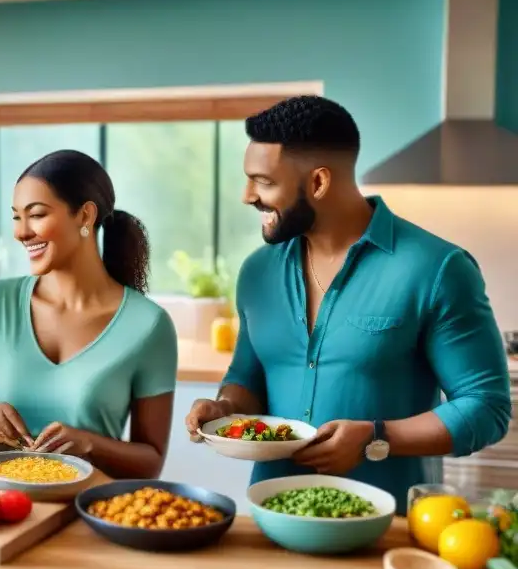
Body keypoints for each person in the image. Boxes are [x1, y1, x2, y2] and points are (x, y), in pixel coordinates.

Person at [185, 95, 512, 512]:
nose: (247, 195)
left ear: (318, 182)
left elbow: (487, 408)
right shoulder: (257, 272)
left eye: (263, 181)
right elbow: (247, 378)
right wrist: (225, 409)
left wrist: (377, 438)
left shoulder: (438, 269)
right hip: (271, 514)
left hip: (385, 528)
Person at [0, 149, 178, 479]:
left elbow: (150, 462)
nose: (21, 232)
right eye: (17, 217)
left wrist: (90, 445)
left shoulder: (149, 325)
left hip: (92, 512)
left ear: (85, 216)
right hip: (4, 508)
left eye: (36, 215)